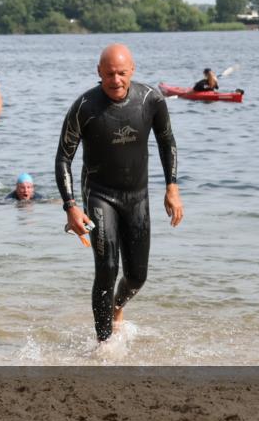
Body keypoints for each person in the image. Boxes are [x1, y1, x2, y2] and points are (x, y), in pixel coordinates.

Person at [55, 44, 183, 346]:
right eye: (109, 74)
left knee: (137, 276)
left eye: (122, 73)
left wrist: (172, 188)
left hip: (137, 197)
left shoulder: (151, 100)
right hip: (101, 196)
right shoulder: (84, 107)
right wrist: (71, 207)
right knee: (107, 268)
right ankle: (104, 344)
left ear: (132, 70)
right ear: (99, 72)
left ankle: (116, 307)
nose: (116, 80)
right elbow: (63, 158)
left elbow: (167, 142)